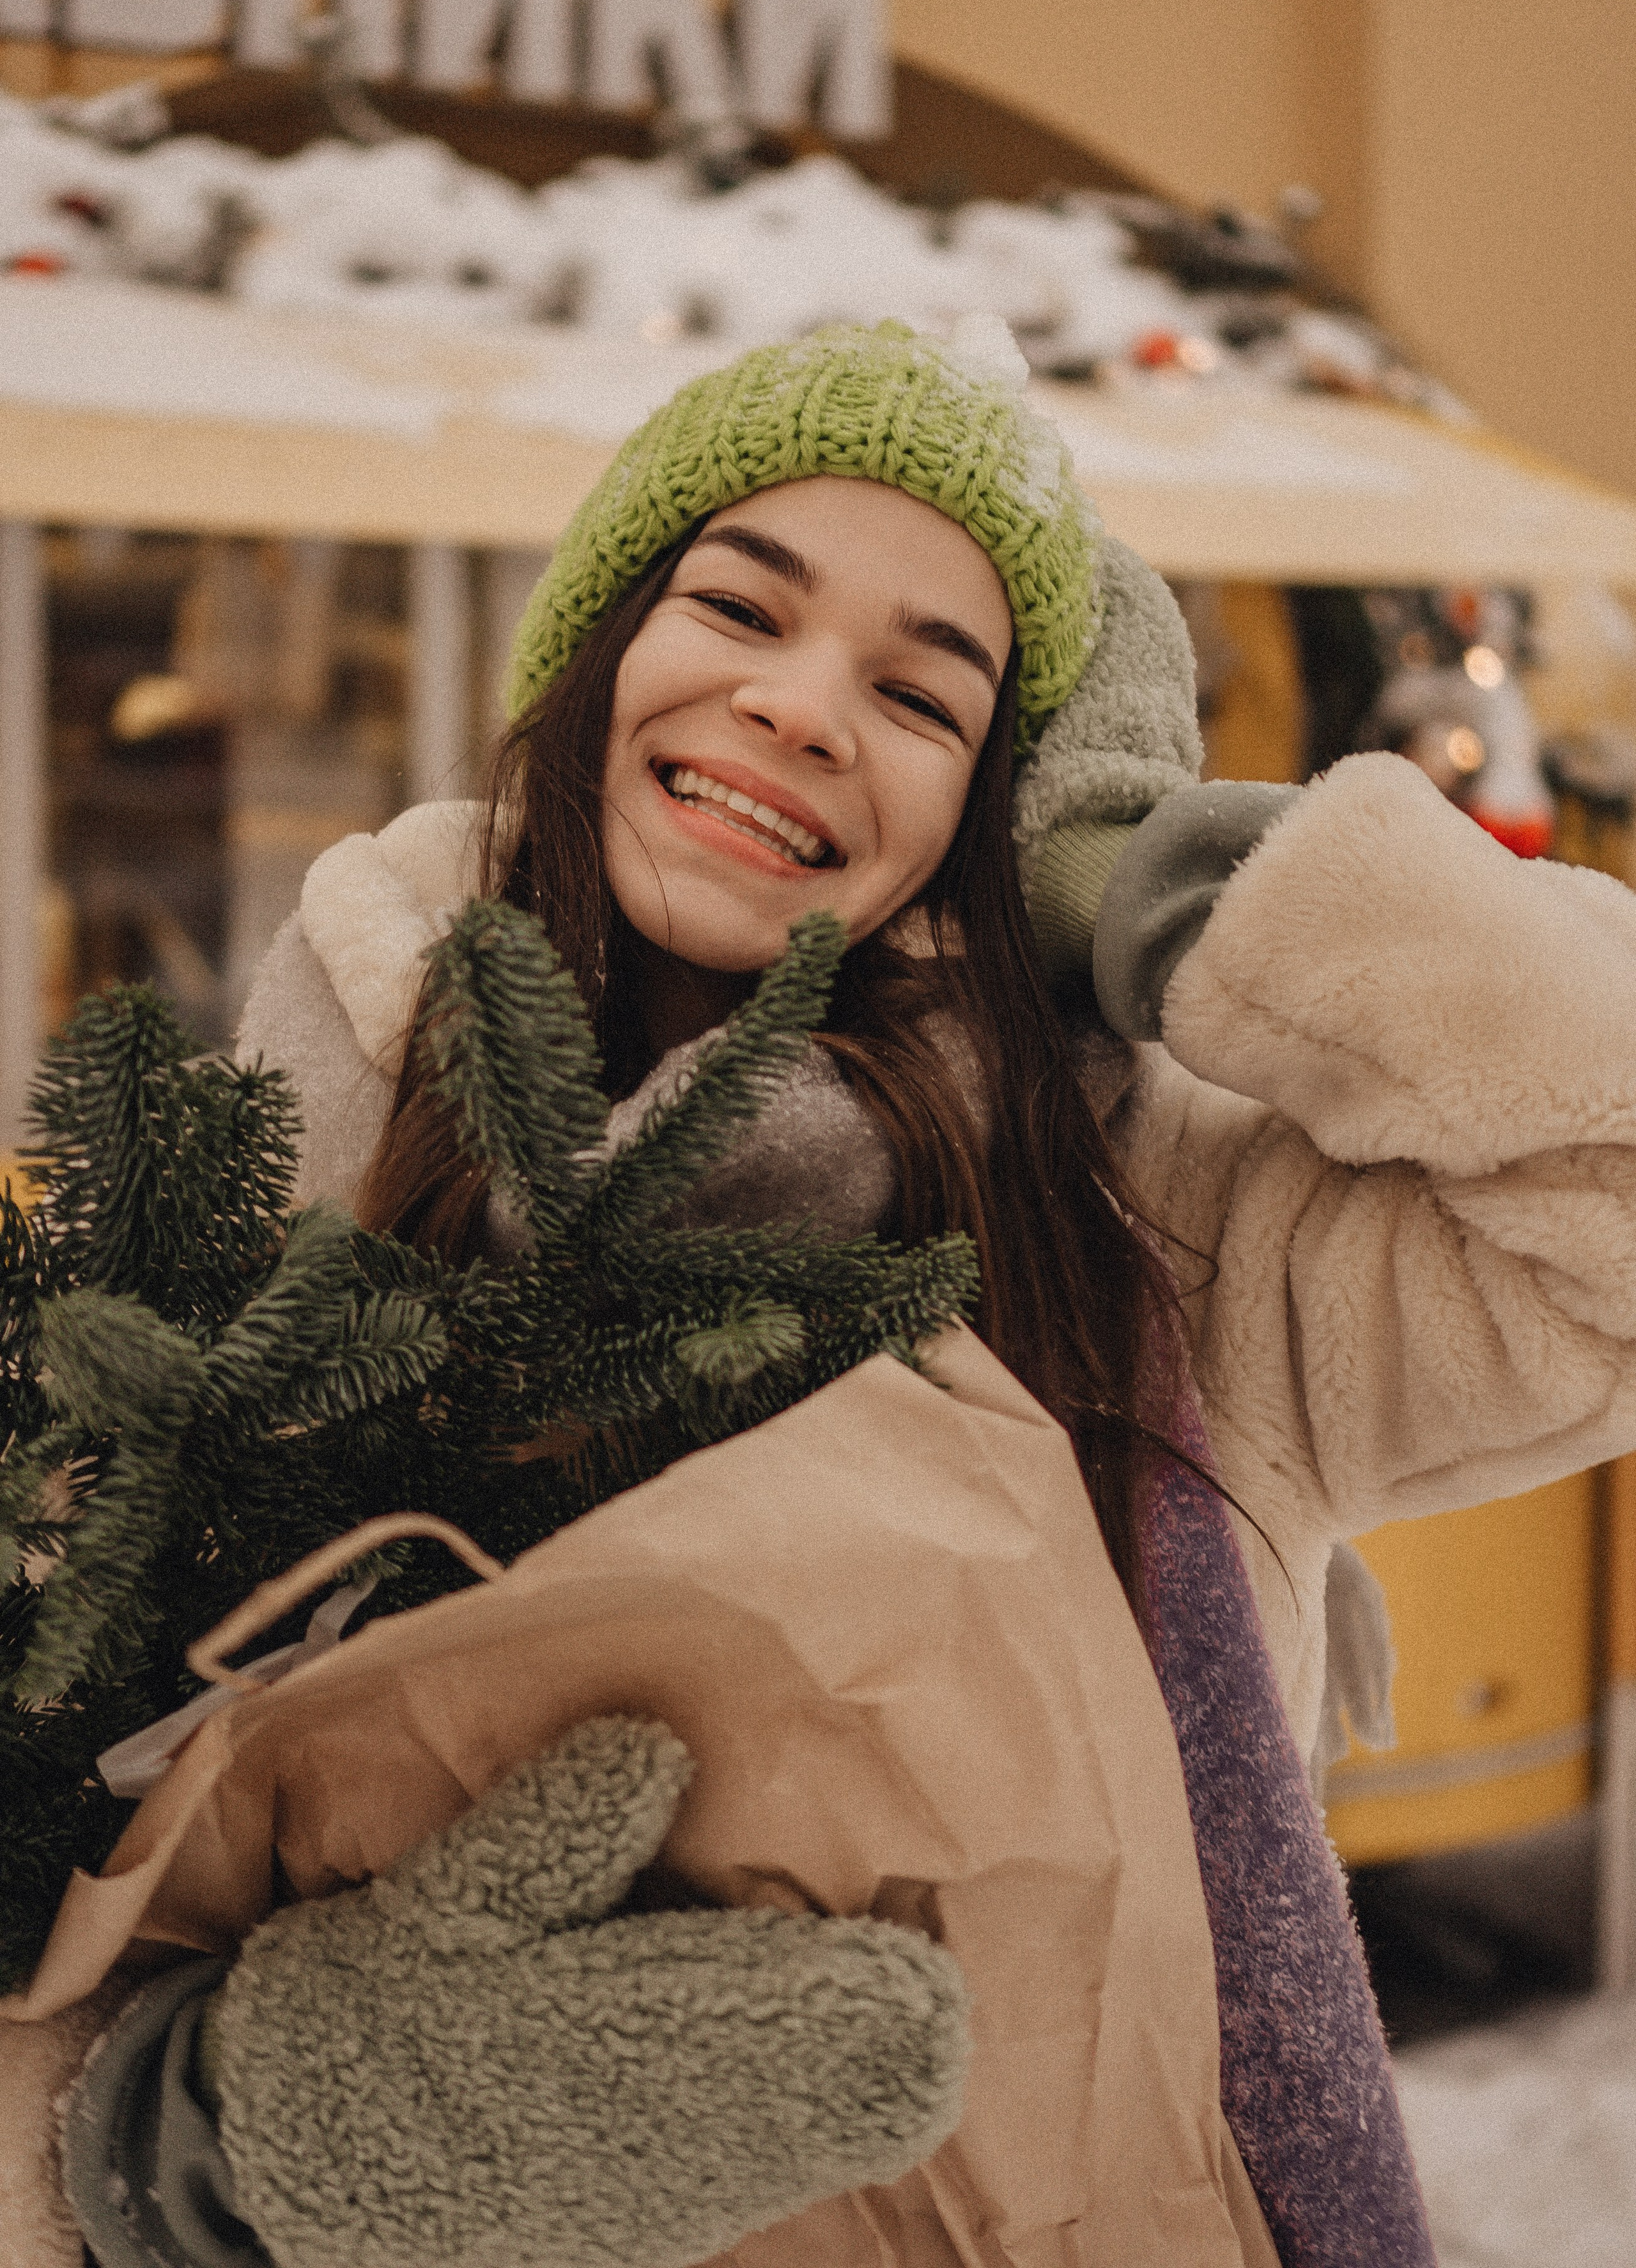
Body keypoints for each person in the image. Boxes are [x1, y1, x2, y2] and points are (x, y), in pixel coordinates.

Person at [54, 315, 1636, 2268]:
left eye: (924, 694)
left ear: (999, 810)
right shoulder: (273, 1177)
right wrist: (198, 2146)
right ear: (602, 650)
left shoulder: (1153, 1233)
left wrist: (1170, 894)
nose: (803, 709)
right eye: (741, 604)